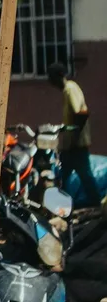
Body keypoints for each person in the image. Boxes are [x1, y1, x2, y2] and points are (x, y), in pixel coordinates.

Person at [48, 62, 99, 205]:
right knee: (65, 177)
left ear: (59, 77)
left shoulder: (70, 89)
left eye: (51, 78)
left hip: (76, 144)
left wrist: (75, 136)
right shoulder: (68, 90)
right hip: (71, 144)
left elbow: (81, 113)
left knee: (83, 176)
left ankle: (96, 205)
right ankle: (65, 206)